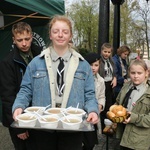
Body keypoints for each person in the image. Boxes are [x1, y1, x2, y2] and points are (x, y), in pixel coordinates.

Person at [12, 15, 99, 150]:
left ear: (70, 36)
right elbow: (25, 90)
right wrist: (18, 106)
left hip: (72, 127)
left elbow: (90, 94)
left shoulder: (83, 65)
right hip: (43, 127)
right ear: (50, 35)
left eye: (65, 31)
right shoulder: (36, 63)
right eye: (55, 31)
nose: (60, 35)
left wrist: (93, 110)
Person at [0, 22, 43, 150]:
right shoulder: (7, 63)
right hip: (18, 118)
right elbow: (8, 97)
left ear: (31, 36)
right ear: (14, 40)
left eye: (27, 39)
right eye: (19, 40)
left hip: (40, 116)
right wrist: (19, 127)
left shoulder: (43, 55)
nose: (24, 43)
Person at [115, 59, 150, 150]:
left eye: (139, 73)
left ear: (146, 73)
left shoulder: (148, 92)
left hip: (139, 140)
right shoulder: (126, 86)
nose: (135, 76)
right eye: (133, 73)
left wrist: (133, 118)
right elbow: (118, 102)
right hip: (123, 133)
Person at [83, 52, 106, 150]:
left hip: (93, 116)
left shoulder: (100, 81)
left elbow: (101, 96)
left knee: (90, 143)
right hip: (81, 114)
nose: (93, 68)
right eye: (90, 65)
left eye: (96, 65)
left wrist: (100, 105)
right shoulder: (80, 78)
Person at [99, 43, 117, 132]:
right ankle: (102, 126)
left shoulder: (112, 61)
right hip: (102, 84)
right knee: (102, 104)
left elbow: (114, 72)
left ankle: (108, 126)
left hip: (110, 84)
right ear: (101, 51)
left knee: (108, 106)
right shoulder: (99, 61)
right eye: (105, 51)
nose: (106, 54)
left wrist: (115, 78)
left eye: (108, 52)